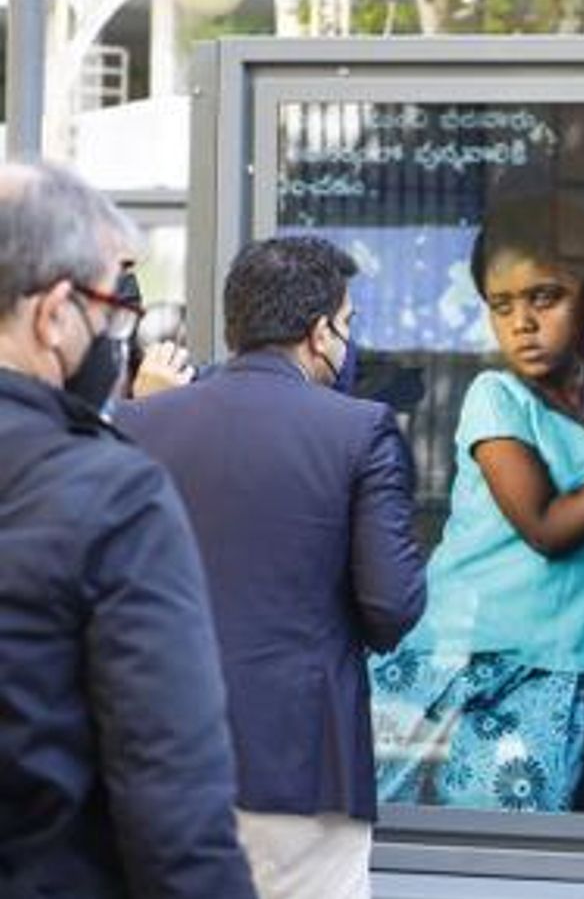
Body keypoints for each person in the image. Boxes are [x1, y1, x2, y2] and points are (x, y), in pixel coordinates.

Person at [370, 194, 584, 812]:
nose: (521, 324)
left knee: (505, 822)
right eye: (501, 306)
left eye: (544, 298)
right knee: (369, 812)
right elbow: (545, 528)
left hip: (557, 669)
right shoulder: (498, 399)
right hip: (449, 648)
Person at [117, 236, 426, 899]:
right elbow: (392, 607)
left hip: (156, 763)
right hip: (302, 767)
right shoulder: (361, 430)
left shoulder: (134, 426)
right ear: (320, 334)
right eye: (346, 327)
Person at [0, 162, 257, 897]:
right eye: (112, 308)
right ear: (52, 314)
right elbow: (171, 795)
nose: (120, 335)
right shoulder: (109, 494)